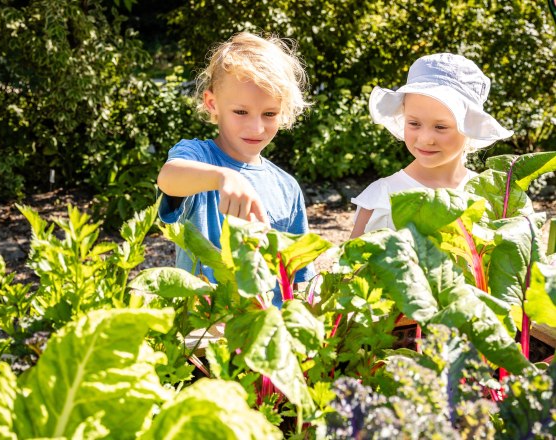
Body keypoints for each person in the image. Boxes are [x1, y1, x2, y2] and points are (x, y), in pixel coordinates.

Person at [157, 32, 314, 306]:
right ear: (212, 104)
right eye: (241, 112)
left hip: (263, 332)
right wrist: (224, 177)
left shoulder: (287, 187)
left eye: (269, 114)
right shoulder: (198, 157)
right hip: (204, 332)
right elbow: (169, 178)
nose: (256, 128)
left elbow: (297, 279)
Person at [350, 53, 513, 238]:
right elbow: (352, 265)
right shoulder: (383, 198)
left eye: (440, 127)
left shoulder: (489, 196)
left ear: (469, 126)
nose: (425, 138)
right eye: (414, 124)